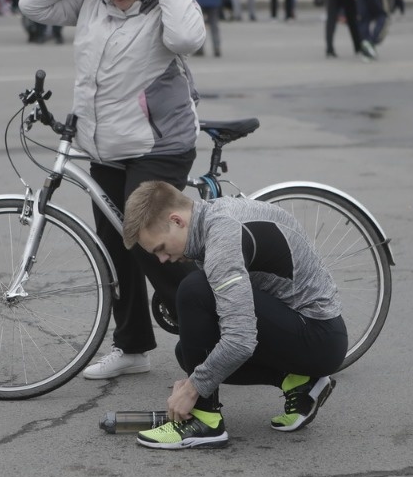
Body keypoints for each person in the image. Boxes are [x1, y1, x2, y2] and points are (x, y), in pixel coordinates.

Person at [18, 0, 206, 381]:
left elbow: (188, 38)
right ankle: (133, 347)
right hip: (104, 145)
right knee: (113, 249)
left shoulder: (163, 2)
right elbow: (32, 6)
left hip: (158, 144)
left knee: (146, 238)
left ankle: (213, 322)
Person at [120, 181, 346, 449]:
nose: (162, 260)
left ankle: (204, 422)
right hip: (305, 328)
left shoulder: (222, 236)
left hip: (319, 336)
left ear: (177, 220)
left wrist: (194, 389)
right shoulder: (212, 218)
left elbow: (241, 339)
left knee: (193, 290)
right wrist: (199, 375)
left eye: (159, 248)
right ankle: (300, 382)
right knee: (189, 352)